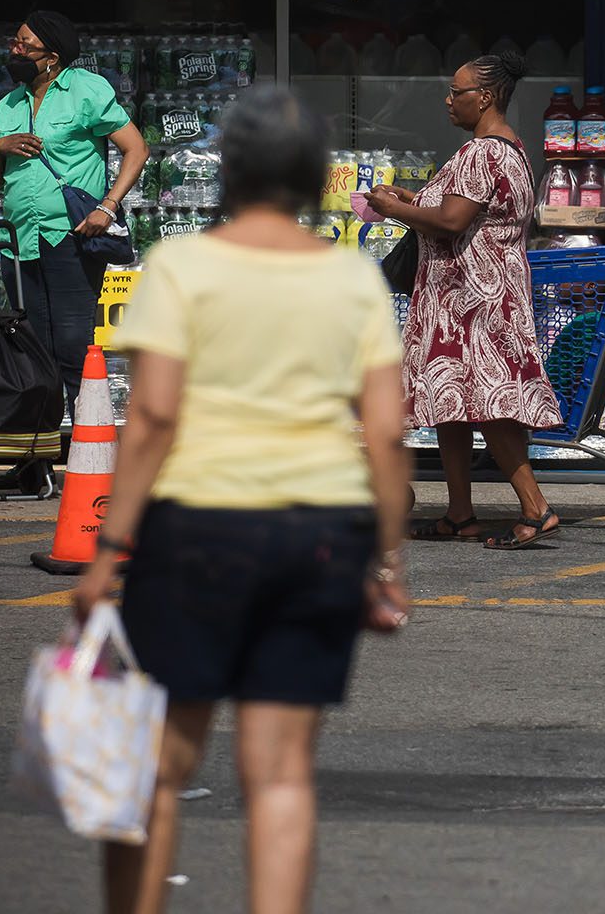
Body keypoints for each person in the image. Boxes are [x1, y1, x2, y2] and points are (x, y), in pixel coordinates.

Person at [71, 83, 411, 914]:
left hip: (196, 531)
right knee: (283, 774)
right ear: (310, 173)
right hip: (322, 534)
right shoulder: (351, 279)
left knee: (160, 770)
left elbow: (150, 415)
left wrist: (109, 552)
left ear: (231, 167)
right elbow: (388, 433)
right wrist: (388, 559)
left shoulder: (183, 265)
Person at [364, 52, 565, 550]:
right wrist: (411, 201)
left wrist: (393, 209)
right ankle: (459, 513)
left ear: (487, 97)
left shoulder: (483, 153)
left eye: (458, 92)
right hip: (469, 296)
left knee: (490, 404)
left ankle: (537, 509)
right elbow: (463, 211)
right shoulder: (509, 150)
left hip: (472, 301)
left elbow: (453, 221)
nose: (449, 100)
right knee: (453, 404)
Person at [0, 10, 150, 411]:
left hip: (71, 239)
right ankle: (35, 464)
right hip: (19, 243)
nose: (15, 49)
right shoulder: (9, 103)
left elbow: (137, 149)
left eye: (25, 44)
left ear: (52, 56)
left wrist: (107, 208)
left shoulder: (87, 90)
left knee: (74, 348)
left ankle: (90, 458)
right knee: (33, 354)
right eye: (15, 41)